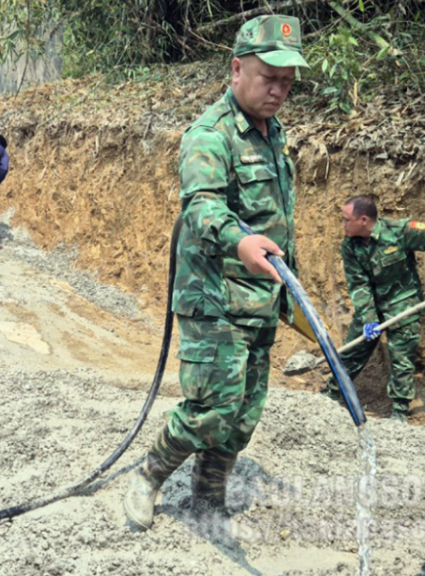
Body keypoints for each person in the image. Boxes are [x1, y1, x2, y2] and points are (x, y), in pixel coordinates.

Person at [123, 15, 309, 532]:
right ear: (236, 69)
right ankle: (149, 476)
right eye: (269, 78)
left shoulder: (274, 135)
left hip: (261, 296)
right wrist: (240, 240)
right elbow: (202, 208)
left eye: (287, 83)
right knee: (212, 408)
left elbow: (280, 219)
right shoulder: (210, 135)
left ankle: (207, 495)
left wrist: (291, 284)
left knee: (245, 413)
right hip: (214, 295)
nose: (278, 91)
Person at [323, 195, 425, 423]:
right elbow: (359, 285)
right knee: (351, 353)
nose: (343, 224)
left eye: (346, 220)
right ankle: (330, 395)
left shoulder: (400, 231)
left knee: (402, 359)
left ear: (363, 220)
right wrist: (368, 319)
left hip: (403, 302)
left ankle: (399, 413)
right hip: (372, 306)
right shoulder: (350, 247)